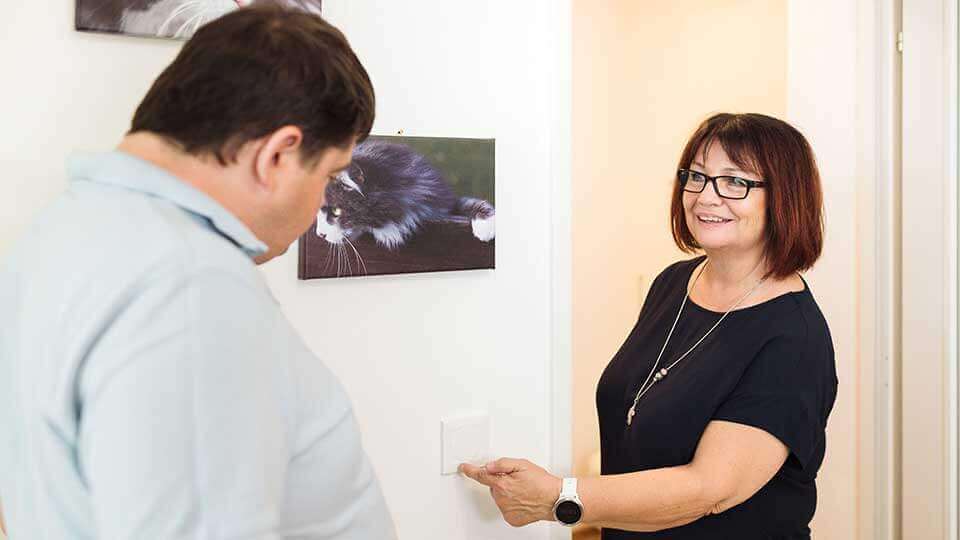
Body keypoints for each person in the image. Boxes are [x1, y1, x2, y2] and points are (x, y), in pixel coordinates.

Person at [0, 6, 395, 539]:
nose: (318, 206)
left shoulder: (57, 233)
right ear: (277, 155)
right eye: (329, 176)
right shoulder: (190, 288)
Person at [461, 113, 838, 539]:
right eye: (696, 176)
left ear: (786, 198)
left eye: (735, 182)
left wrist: (558, 497)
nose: (705, 197)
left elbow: (709, 489)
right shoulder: (674, 283)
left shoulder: (794, 337)